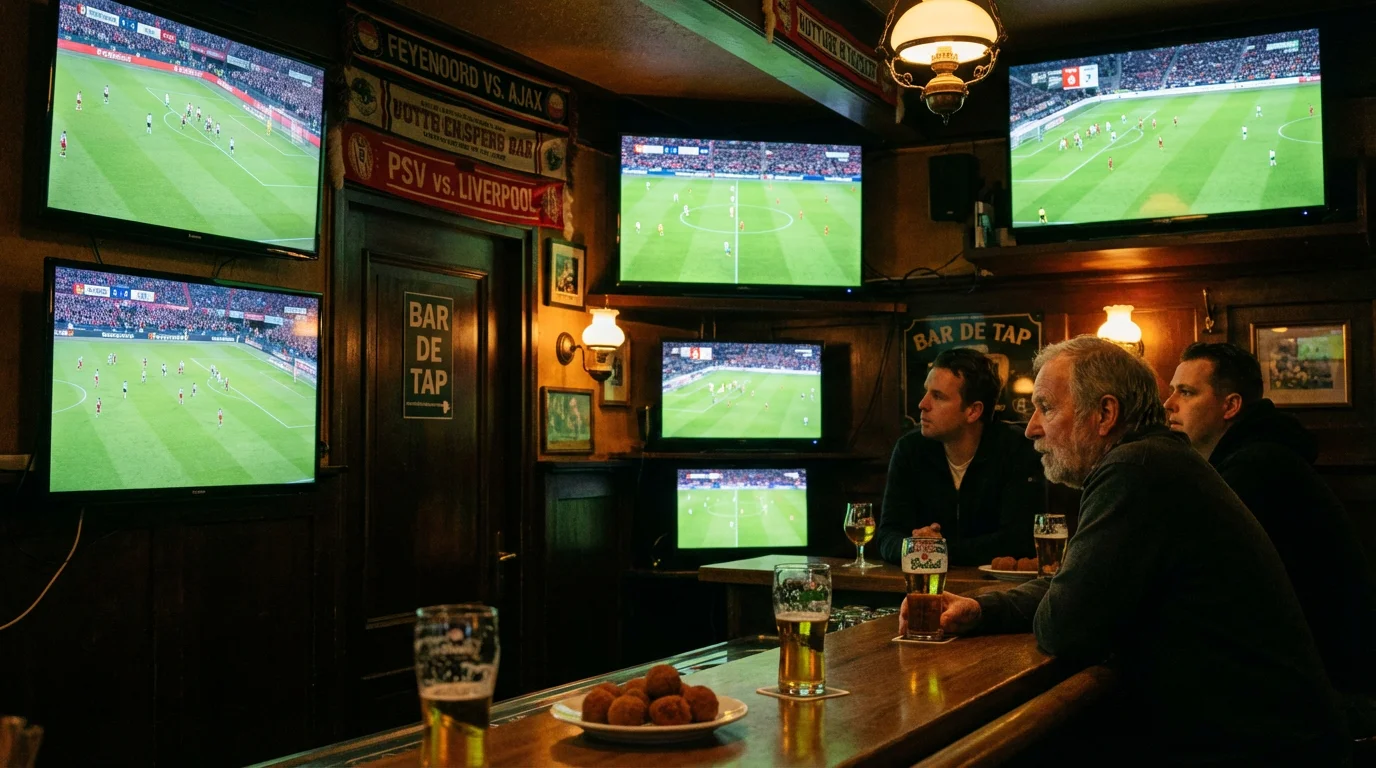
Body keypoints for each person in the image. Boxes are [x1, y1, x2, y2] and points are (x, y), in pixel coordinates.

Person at [906, 336, 1346, 764]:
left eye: (1046, 407)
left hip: (1251, 746)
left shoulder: (1134, 470)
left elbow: (1066, 625)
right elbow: (1077, 584)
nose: (1032, 428)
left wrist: (1055, 600)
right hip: (1258, 731)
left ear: (1105, 413)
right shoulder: (1155, 459)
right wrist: (983, 610)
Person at [1165, 342, 1376, 738]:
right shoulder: (1255, 457)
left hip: (1327, 697)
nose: (1168, 403)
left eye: (1187, 392)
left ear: (1230, 406)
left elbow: (1193, 573)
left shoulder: (1257, 468)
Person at [876, 348, 1044, 567]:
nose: (923, 404)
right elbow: (888, 535)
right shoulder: (910, 449)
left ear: (973, 411)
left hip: (994, 590)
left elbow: (1017, 541)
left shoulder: (1016, 450)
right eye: (926, 392)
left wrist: (939, 550)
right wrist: (914, 545)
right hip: (923, 586)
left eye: (938, 396)